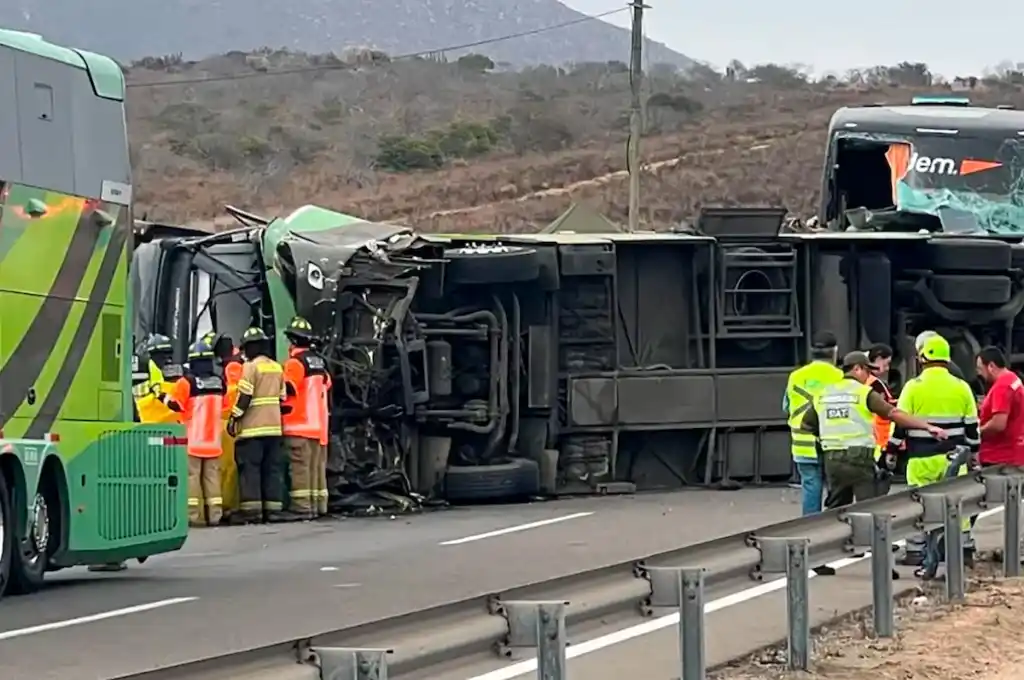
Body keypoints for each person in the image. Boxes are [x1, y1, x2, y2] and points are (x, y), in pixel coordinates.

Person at [802, 350, 948, 580]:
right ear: (857, 369)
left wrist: (829, 435)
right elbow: (893, 413)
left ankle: (818, 559)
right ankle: (883, 567)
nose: (868, 376)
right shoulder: (863, 393)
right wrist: (926, 426)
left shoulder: (825, 394)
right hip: (859, 460)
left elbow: (807, 423)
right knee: (874, 513)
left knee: (833, 511)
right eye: (867, 370)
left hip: (833, 461)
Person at [886, 333, 979, 578]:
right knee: (957, 505)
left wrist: (891, 452)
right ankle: (961, 550)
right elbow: (972, 428)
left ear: (922, 359)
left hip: (921, 460)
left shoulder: (913, 387)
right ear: (948, 360)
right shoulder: (962, 388)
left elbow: (900, 426)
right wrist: (974, 454)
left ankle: (918, 551)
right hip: (954, 458)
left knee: (920, 506)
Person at [228, 327, 292, 524]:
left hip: (253, 430)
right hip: (274, 429)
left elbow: (245, 396)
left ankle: (252, 511)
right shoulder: (276, 367)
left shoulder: (250, 367)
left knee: (251, 469)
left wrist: (234, 418)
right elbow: (282, 398)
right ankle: (273, 510)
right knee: (272, 469)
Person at [162, 340, 229, 527]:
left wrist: (163, 397)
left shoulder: (187, 382)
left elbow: (175, 404)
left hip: (193, 441)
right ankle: (215, 515)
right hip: (213, 441)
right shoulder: (219, 382)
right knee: (212, 479)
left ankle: (194, 516)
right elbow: (226, 407)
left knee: (192, 478)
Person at [282, 316, 333, 519]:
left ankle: (302, 507)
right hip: (318, 426)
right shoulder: (320, 363)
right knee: (315, 469)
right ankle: (318, 506)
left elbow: (287, 390)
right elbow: (327, 386)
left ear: (293, 341)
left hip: (298, 425)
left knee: (300, 469)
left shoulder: (295, 363)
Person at [975, 346, 1024, 469]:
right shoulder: (1013, 378)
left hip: (999, 459)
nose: (979, 373)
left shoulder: (1001, 387)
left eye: (980, 368)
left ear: (991, 366)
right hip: (1013, 454)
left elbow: (998, 424)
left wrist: (977, 432)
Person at [133, 334, 184, 425]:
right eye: (163, 354)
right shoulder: (146, 374)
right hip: (152, 427)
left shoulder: (180, 375)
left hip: (171, 428)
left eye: (169, 354)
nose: (168, 359)